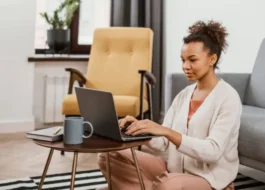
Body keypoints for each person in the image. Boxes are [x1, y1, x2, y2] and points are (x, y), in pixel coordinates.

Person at [98, 20, 242, 190]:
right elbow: (163, 144)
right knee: (107, 156)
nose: (185, 66)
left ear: (212, 59)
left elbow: (213, 151)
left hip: (208, 178)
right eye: (183, 60)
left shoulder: (228, 98)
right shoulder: (184, 95)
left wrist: (167, 131)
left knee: (166, 185)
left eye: (192, 60)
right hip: (173, 171)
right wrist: (141, 129)